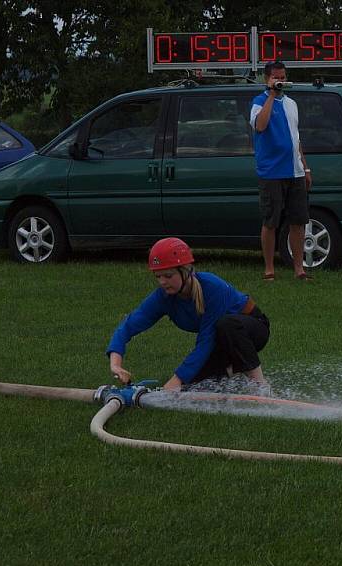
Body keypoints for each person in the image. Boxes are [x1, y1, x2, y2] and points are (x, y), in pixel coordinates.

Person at [106, 237, 270, 392]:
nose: (162, 282)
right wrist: (116, 364)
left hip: (252, 330)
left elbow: (206, 340)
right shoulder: (164, 296)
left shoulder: (212, 287)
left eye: (168, 275)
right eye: (158, 276)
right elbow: (129, 324)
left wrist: (176, 380)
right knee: (192, 385)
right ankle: (230, 368)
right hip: (220, 341)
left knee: (226, 325)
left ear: (186, 272)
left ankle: (261, 386)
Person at [250, 61, 313, 281]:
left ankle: (299, 268)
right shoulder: (258, 102)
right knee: (271, 221)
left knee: (298, 221)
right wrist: (270, 95)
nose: (281, 81)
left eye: (283, 77)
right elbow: (260, 126)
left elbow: (297, 139)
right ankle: (269, 269)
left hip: (294, 172)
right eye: (276, 77)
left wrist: (305, 167)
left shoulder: (292, 104)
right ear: (267, 79)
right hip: (271, 173)